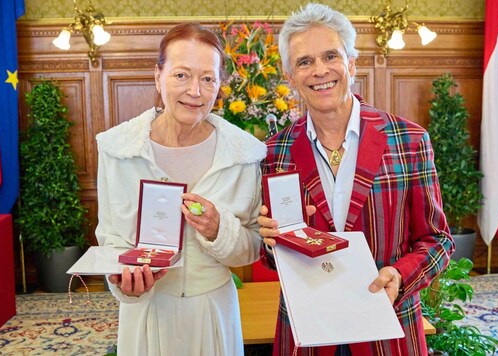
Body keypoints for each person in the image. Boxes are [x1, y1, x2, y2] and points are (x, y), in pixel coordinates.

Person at [257, 4, 455, 355]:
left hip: (387, 326)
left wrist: (401, 275)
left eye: (330, 56)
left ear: (351, 62)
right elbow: (275, 257)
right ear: (290, 76)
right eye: (304, 62)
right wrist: (270, 241)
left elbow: (438, 240)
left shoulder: (408, 141)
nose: (319, 71)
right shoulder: (275, 153)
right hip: (308, 333)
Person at [95, 23, 266, 355]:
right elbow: (111, 239)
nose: (195, 91)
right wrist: (125, 282)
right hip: (146, 312)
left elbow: (253, 247)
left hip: (213, 312)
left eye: (207, 79)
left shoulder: (245, 154)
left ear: (220, 85)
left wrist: (220, 230)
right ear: (158, 76)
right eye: (181, 75)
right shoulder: (116, 149)